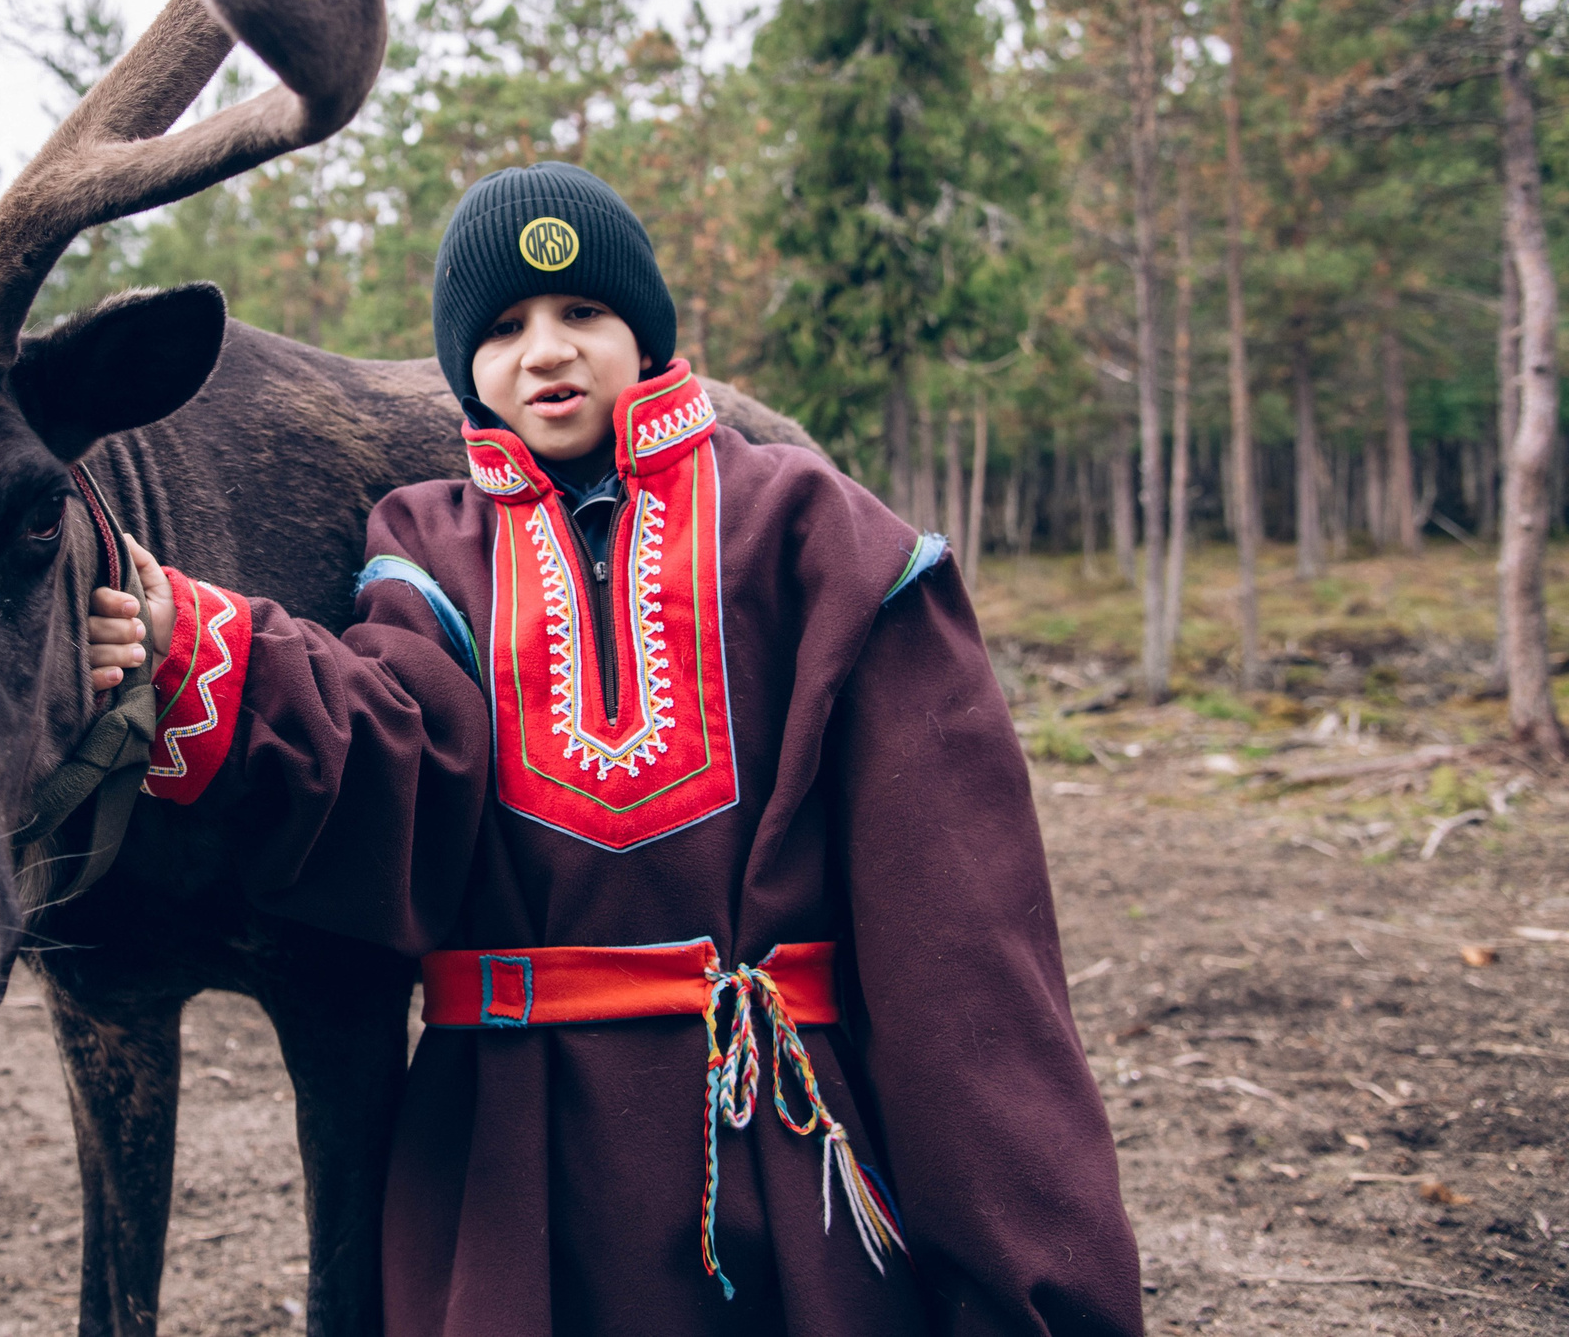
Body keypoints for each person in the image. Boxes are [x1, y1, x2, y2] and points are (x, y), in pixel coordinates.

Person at [85, 162, 1143, 1337]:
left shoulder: (810, 530)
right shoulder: (426, 551)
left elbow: (962, 936)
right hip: (512, 1170)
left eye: (582, 310)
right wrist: (209, 652)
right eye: (502, 328)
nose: (546, 351)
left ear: (645, 329)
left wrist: (1030, 1287)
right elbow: (399, 773)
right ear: (462, 368)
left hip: (777, 1155)